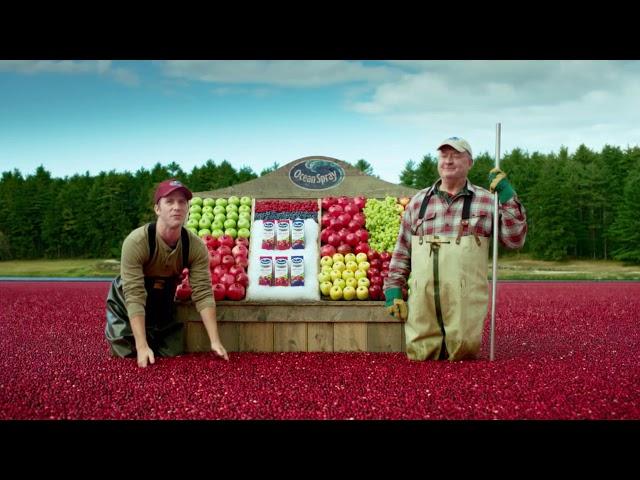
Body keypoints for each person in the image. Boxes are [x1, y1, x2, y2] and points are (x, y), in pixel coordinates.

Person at [383, 137, 527, 361]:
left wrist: (508, 197)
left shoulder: (487, 201)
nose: (448, 161)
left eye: (456, 155)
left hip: (465, 306)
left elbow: (515, 239)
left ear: (470, 162)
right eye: (443, 155)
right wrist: (393, 289)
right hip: (423, 307)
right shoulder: (418, 202)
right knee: (419, 366)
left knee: (463, 363)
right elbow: (402, 250)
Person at [105, 179, 228, 367]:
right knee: (127, 352)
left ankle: (150, 336)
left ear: (187, 208)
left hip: (162, 302)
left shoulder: (194, 246)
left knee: (172, 351)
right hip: (127, 302)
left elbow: (203, 292)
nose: (176, 207)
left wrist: (215, 341)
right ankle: (136, 337)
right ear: (157, 209)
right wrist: (142, 345)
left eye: (182, 202)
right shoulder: (137, 242)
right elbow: (134, 294)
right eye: (169, 202)